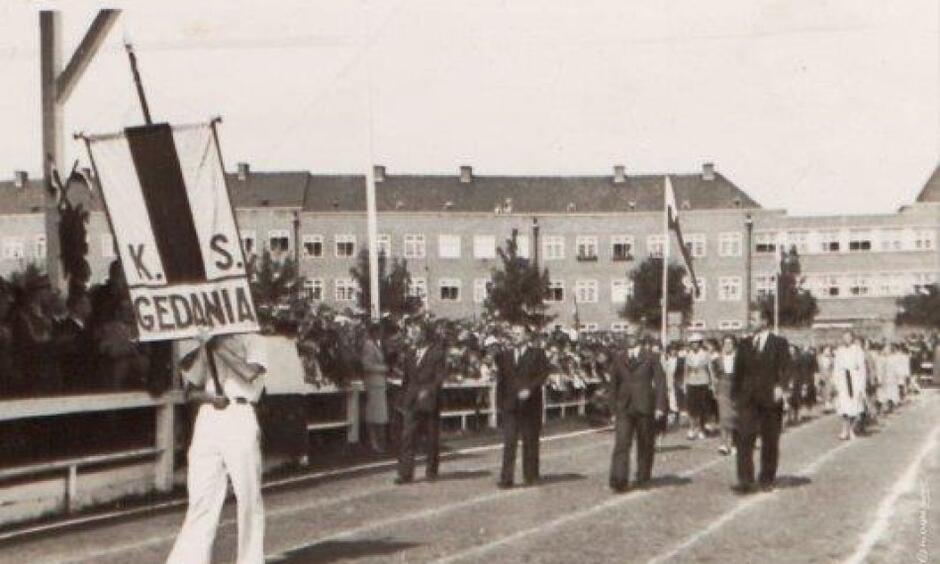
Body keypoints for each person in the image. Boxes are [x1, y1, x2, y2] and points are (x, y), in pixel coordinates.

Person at [166, 330, 268, 564]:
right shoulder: (209, 343)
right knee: (201, 494)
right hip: (209, 417)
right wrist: (209, 398)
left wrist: (217, 346)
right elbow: (190, 392)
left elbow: (249, 373)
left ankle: (250, 560)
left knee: (248, 494)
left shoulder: (254, 339)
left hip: (240, 412)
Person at [731, 317, 790, 494]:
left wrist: (781, 386)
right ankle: (745, 479)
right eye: (749, 318)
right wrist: (735, 395)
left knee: (770, 439)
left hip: (770, 397)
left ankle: (767, 478)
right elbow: (738, 371)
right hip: (747, 399)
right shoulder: (744, 344)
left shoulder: (779, 343)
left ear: (765, 321)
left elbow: (786, 367)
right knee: (743, 437)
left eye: (754, 318)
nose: (750, 321)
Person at [608, 334, 667, 493]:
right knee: (621, 443)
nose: (631, 338)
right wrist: (613, 409)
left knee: (645, 443)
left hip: (645, 405)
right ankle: (619, 479)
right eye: (628, 335)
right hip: (624, 407)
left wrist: (660, 406)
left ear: (639, 339)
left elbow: (661, 382)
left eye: (634, 335)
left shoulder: (651, 357)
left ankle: (643, 475)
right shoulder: (619, 358)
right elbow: (613, 385)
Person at [496, 324, 550, 488]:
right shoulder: (505, 355)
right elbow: (502, 380)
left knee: (530, 441)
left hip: (530, 405)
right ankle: (507, 478)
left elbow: (543, 375)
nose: (515, 336)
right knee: (509, 442)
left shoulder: (537, 354)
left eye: (518, 333)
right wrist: (501, 403)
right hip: (510, 405)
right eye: (513, 333)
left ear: (527, 336)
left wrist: (530, 389)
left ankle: (531, 476)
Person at [396, 321, 447, 484]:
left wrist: (428, 391)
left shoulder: (437, 353)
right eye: (411, 333)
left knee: (431, 437)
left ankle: (431, 471)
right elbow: (406, 378)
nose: (412, 336)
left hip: (429, 401)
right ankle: (405, 473)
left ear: (424, 334)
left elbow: (439, 378)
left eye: (415, 332)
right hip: (412, 400)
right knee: (407, 437)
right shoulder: (410, 353)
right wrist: (403, 398)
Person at [53, 291, 94, 393]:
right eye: (86, 303)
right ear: (77, 306)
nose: (90, 306)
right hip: (76, 381)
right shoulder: (68, 328)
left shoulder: (86, 327)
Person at [832, 331, 867, 440]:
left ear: (852, 338)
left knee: (854, 408)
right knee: (844, 407)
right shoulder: (839, 351)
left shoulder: (858, 350)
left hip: (854, 380)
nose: (847, 339)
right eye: (845, 337)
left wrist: (862, 384)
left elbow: (862, 368)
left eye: (849, 337)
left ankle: (851, 429)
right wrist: (836, 382)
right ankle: (844, 429)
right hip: (843, 381)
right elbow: (836, 368)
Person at [361, 323, 390, 453]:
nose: (381, 334)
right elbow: (366, 365)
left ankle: (378, 443)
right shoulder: (369, 345)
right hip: (373, 383)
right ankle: (374, 443)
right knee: (373, 414)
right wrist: (383, 369)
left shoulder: (375, 345)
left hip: (379, 383)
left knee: (379, 414)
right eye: (379, 331)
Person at [714, 335, 742, 456]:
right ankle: (723, 443)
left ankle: (735, 443)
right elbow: (715, 375)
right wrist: (715, 389)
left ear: (734, 345)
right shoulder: (718, 359)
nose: (727, 346)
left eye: (730, 343)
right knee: (724, 416)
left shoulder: (739, 359)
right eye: (725, 343)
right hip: (723, 387)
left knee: (735, 417)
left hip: (736, 388)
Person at [683, 335, 711, 440]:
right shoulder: (688, 355)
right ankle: (691, 428)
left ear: (700, 343)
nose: (694, 345)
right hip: (692, 383)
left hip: (703, 382)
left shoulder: (705, 354)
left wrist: (711, 383)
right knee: (691, 407)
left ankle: (701, 429)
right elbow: (686, 371)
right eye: (692, 343)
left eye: (697, 342)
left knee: (702, 407)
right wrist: (685, 384)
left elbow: (710, 369)